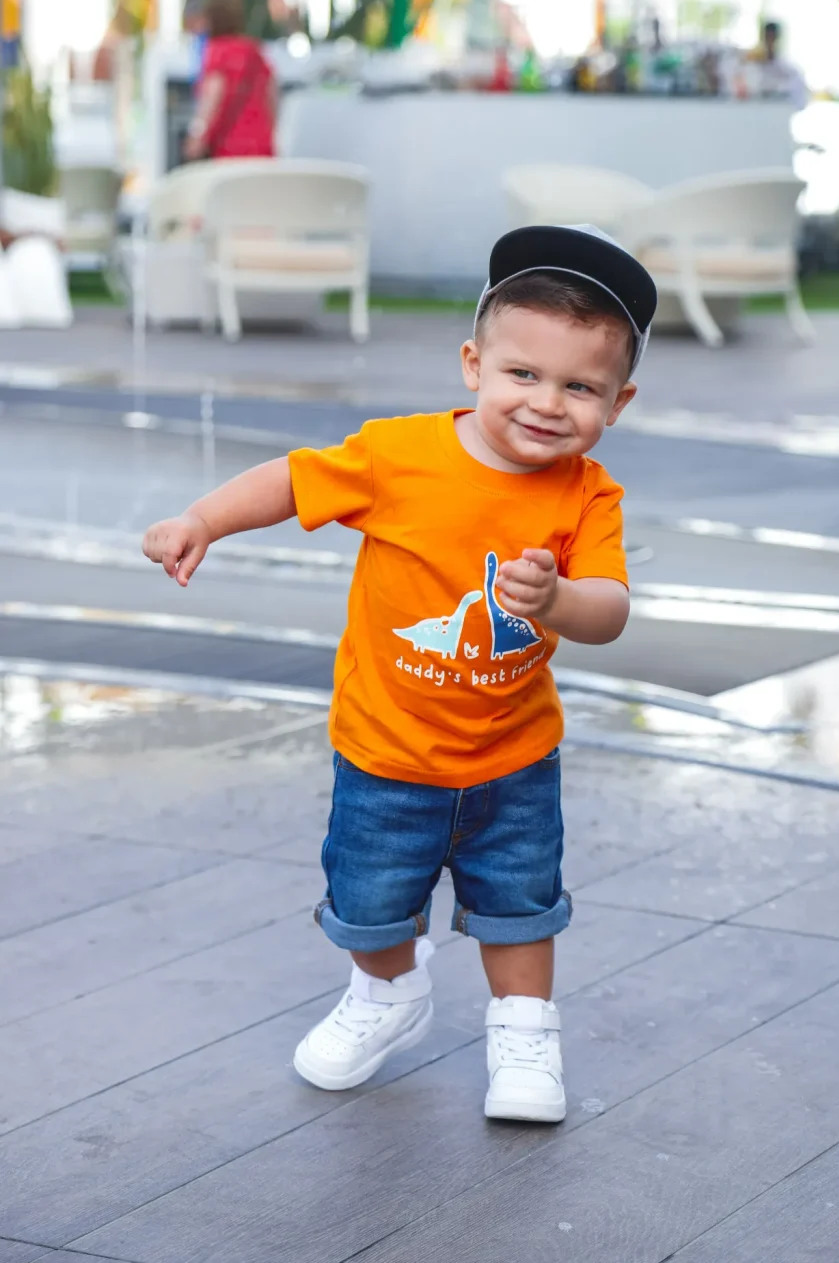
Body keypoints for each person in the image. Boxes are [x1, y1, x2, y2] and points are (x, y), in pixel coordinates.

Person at [141, 224, 657, 1123]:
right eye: (522, 375)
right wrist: (203, 520)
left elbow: (609, 611)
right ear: (473, 364)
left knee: (521, 904)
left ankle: (525, 1031)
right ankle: (387, 996)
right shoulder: (399, 454)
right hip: (385, 755)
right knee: (371, 904)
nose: (546, 403)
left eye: (580, 387)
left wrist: (557, 600)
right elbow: (294, 482)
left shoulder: (588, 495)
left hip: (513, 759)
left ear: (617, 402)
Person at [183, 0, 277, 161]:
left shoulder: (217, 51)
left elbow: (213, 95)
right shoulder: (254, 49)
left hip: (230, 150)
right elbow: (271, 94)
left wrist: (197, 135)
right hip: (262, 148)